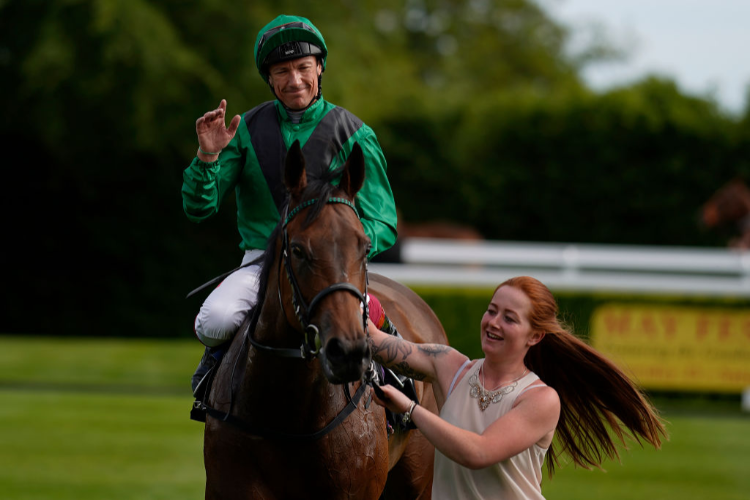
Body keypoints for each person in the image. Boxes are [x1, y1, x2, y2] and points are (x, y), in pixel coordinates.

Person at [182, 15, 398, 397]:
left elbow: (383, 220)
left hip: (334, 266)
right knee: (213, 320)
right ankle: (213, 384)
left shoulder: (355, 133)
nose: (294, 80)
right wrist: (207, 156)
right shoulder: (244, 130)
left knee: (364, 323)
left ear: (320, 68)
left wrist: (340, 246)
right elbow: (200, 207)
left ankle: (395, 387)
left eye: (303, 67)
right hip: (260, 264)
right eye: (282, 71)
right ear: (269, 78)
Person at [368, 275, 667, 500]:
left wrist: (409, 409)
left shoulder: (541, 400)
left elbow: (478, 452)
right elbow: (377, 343)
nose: (493, 323)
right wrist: (361, 303)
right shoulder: (448, 365)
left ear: (535, 336)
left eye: (509, 318)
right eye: (492, 310)